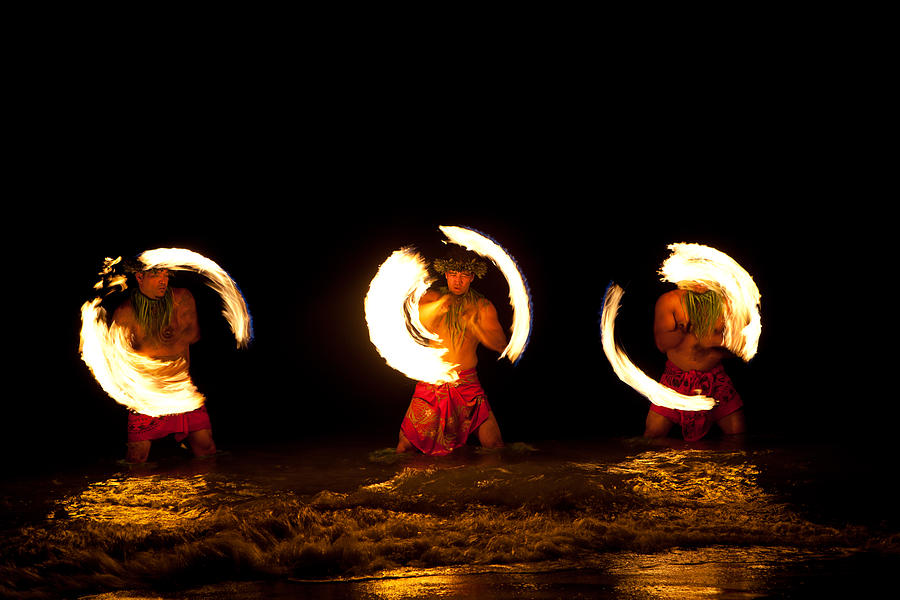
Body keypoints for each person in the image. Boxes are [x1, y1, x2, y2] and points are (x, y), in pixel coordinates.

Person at [396, 249, 507, 454]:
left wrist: (477, 327)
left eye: (464, 275)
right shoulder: (432, 297)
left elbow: (500, 344)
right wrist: (439, 306)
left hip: (467, 384)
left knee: (494, 443)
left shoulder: (482, 306)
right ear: (446, 274)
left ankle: (494, 484)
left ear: (472, 277)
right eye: (453, 274)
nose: (458, 281)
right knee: (405, 446)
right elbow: (418, 321)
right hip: (433, 382)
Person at [112, 264, 217, 463]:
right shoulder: (125, 312)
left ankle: (209, 491)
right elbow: (118, 356)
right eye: (155, 276)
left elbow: (192, 335)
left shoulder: (182, 298)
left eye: (166, 275)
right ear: (139, 277)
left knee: (206, 447)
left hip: (181, 390)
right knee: (137, 455)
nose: (163, 281)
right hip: (147, 395)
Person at [645, 285, 746, 441]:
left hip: (716, 381)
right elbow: (662, 344)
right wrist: (686, 332)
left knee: (737, 434)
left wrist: (712, 342)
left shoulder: (728, 304)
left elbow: (742, 347)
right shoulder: (669, 301)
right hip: (675, 381)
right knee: (653, 434)